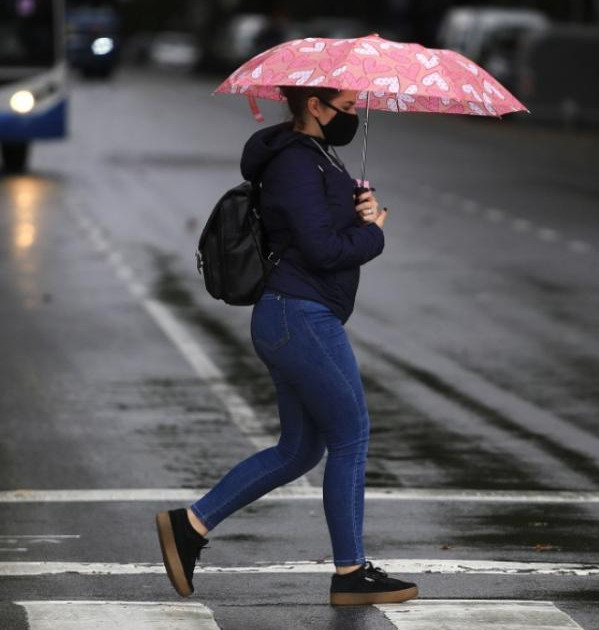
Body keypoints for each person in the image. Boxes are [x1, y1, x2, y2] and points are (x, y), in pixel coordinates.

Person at [155, 86, 419, 607]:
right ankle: (349, 571)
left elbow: (315, 230)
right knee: (351, 434)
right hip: (300, 317)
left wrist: (356, 208)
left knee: (299, 448)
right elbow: (321, 251)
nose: (353, 116)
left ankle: (189, 525)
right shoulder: (296, 162)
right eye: (345, 107)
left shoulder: (315, 156)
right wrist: (375, 235)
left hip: (296, 316)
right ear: (314, 105)